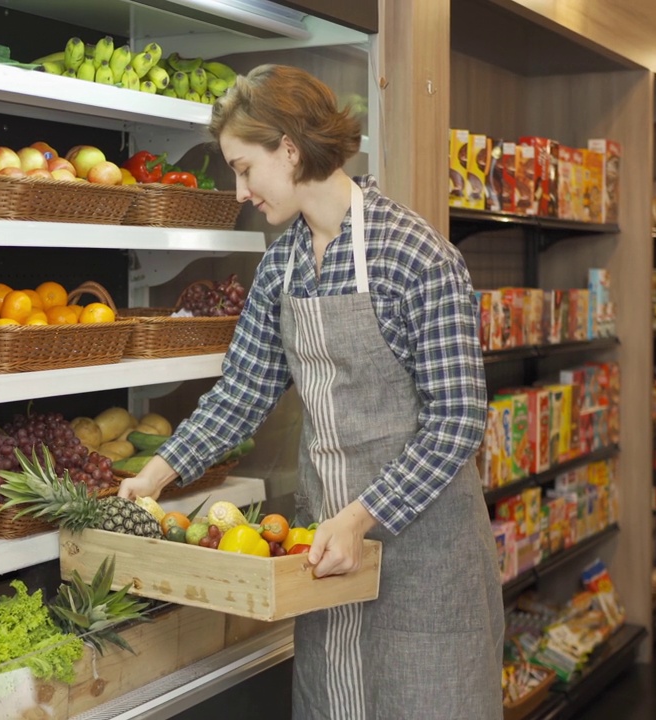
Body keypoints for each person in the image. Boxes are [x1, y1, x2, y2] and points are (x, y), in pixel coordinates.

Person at [118, 64, 503, 719]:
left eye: (245, 168)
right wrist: (152, 479)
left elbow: (458, 421)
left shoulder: (416, 257)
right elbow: (241, 394)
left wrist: (360, 517)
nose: (240, 191)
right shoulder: (283, 264)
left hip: (425, 558)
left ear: (289, 150)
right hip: (323, 554)